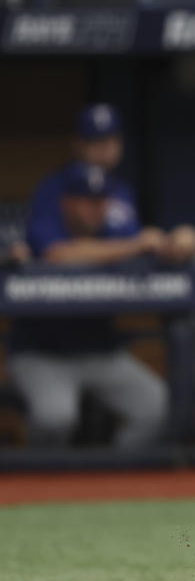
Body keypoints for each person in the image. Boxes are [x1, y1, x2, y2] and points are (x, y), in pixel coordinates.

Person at [7, 162, 169, 447]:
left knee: (159, 405)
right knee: (55, 418)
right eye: (86, 201)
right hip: (42, 353)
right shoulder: (46, 224)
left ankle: (117, 476)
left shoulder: (113, 229)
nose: (95, 209)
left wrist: (173, 243)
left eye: (100, 201)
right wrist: (133, 246)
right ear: (67, 202)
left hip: (100, 352)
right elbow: (59, 255)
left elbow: (159, 250)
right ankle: (43, 480)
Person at [27, 103, 195, 262]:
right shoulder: (55, 189)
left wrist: (169, 246)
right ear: (78, 144)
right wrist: (134, 246)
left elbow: (136, 246)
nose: (107, 149)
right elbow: (53, 252)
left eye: (112, 140)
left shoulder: (122, 190)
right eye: (97, 141)